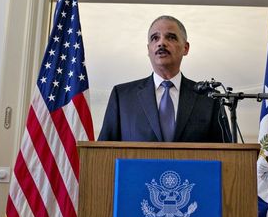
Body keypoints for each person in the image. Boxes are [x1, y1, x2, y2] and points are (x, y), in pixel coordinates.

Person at [98, 15, 231, 142]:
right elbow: (103, 153)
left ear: (185, 48)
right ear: (148, 49)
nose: (161, 42)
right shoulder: (122, 96)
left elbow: (226, 155)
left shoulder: (209, 98)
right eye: (155, 38)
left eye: (171, 37)